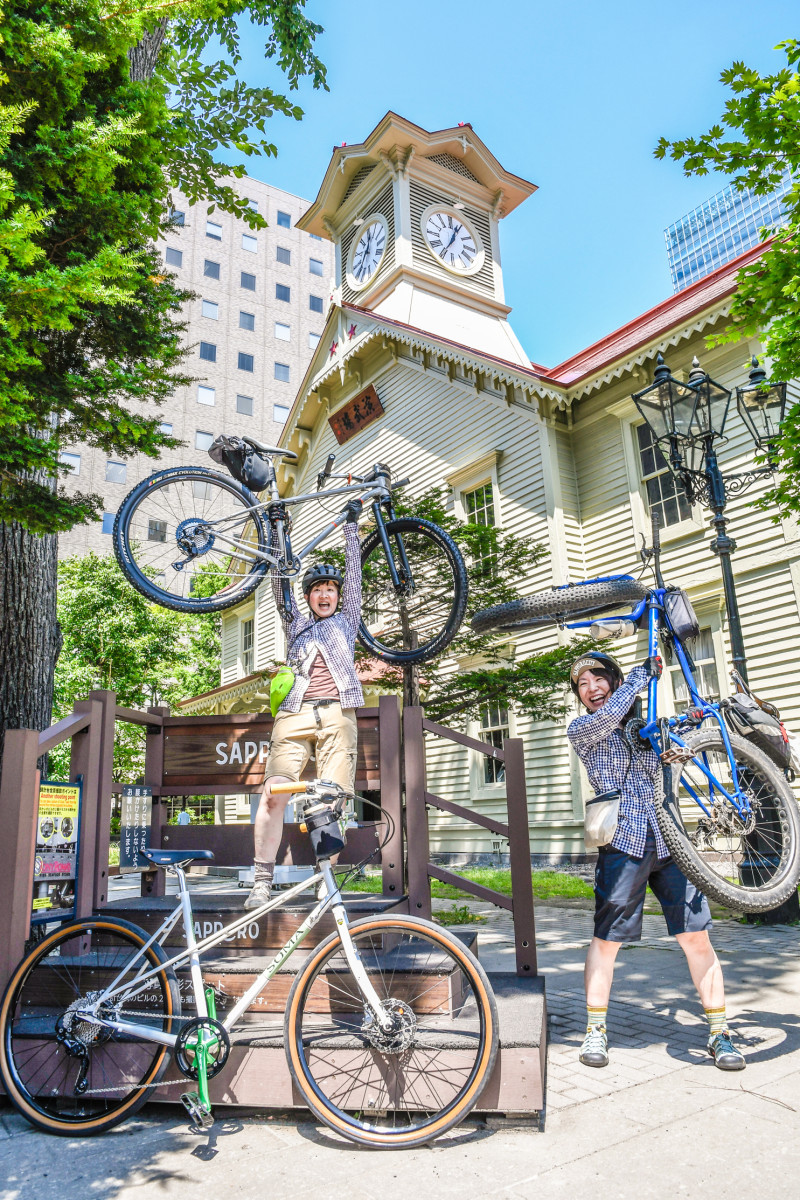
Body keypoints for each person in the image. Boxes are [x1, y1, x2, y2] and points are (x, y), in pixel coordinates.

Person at [567, 651, 745, 1072]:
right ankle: (596, 1030)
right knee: (607, 940)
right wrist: (639, 676)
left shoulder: (648, 727)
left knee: (696, 938)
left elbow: (686, 738)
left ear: (609, 679)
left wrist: (698, 720)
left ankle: (720, 1032)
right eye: (582, 685)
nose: (591, 689)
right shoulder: (584, 728)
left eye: (598, 679)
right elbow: (607, 718)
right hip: (622, 843)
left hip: (671, 842)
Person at [244, 498, 364, 909]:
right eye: (318, 589)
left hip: (337, 711)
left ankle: (324, 879)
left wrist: (351, 528)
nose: (325, 594)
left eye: (331, 589)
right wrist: (280, 528)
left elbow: (356, 575)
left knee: (331, 798)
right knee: (274, 792)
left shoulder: (348, 620)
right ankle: (262, 881)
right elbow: (280, 582)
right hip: (295, 713)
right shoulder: (296, 623)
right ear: (310, 597)